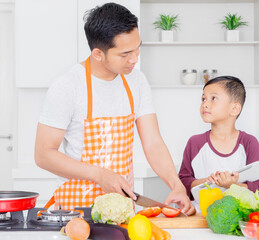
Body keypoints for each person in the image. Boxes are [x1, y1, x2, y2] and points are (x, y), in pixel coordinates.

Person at [35, 2, 195, 215]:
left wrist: (175, 184)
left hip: (122, 210)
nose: (135, 59)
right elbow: (43, 154)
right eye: (125, 54)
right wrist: (100, 175)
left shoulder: (136, 81)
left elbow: (153, 143)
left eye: (138, 49)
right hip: (76, 212)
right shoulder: (67, 86)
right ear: (98, 54)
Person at [178, 76, 259, 201]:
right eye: (203, 99)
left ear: (234, 109)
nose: (205, 104)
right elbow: (183, 183)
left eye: (213, 98)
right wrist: (208, 183)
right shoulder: (195, 143)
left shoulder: (249, 143)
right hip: (200, 216)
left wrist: (230, 185)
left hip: (237, 217)